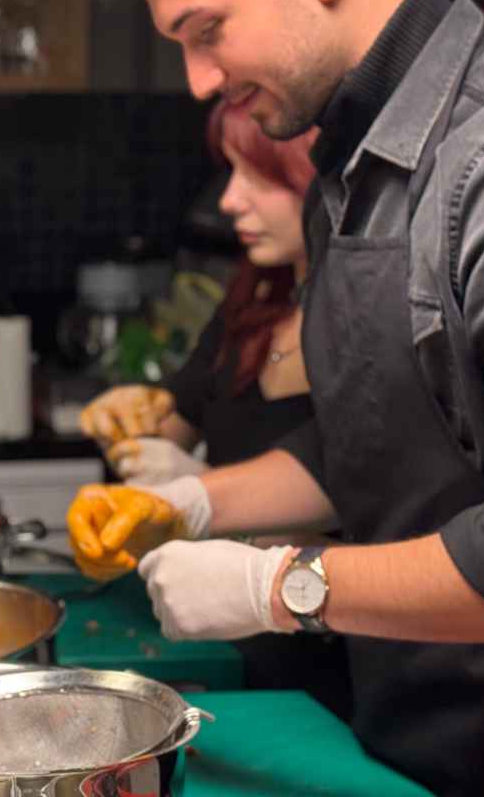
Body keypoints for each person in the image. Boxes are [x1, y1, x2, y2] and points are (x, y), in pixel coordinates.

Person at [67, 0, 484, 791]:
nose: (194, 79)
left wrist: (278, 588)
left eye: (206, 29)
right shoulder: (342, 168)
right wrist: (193, 503)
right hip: (401, 739)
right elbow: (382, 438)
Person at [81, 101, 353, 718]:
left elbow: (381, 507)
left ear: (331, 183)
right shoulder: (252, 301)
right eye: (230, 173)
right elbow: (169, 428)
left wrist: (208, 506)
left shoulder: (366, 332)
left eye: (262, 179)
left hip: (340, 681)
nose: (230, 201)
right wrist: (134, 431)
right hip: (236, 658)